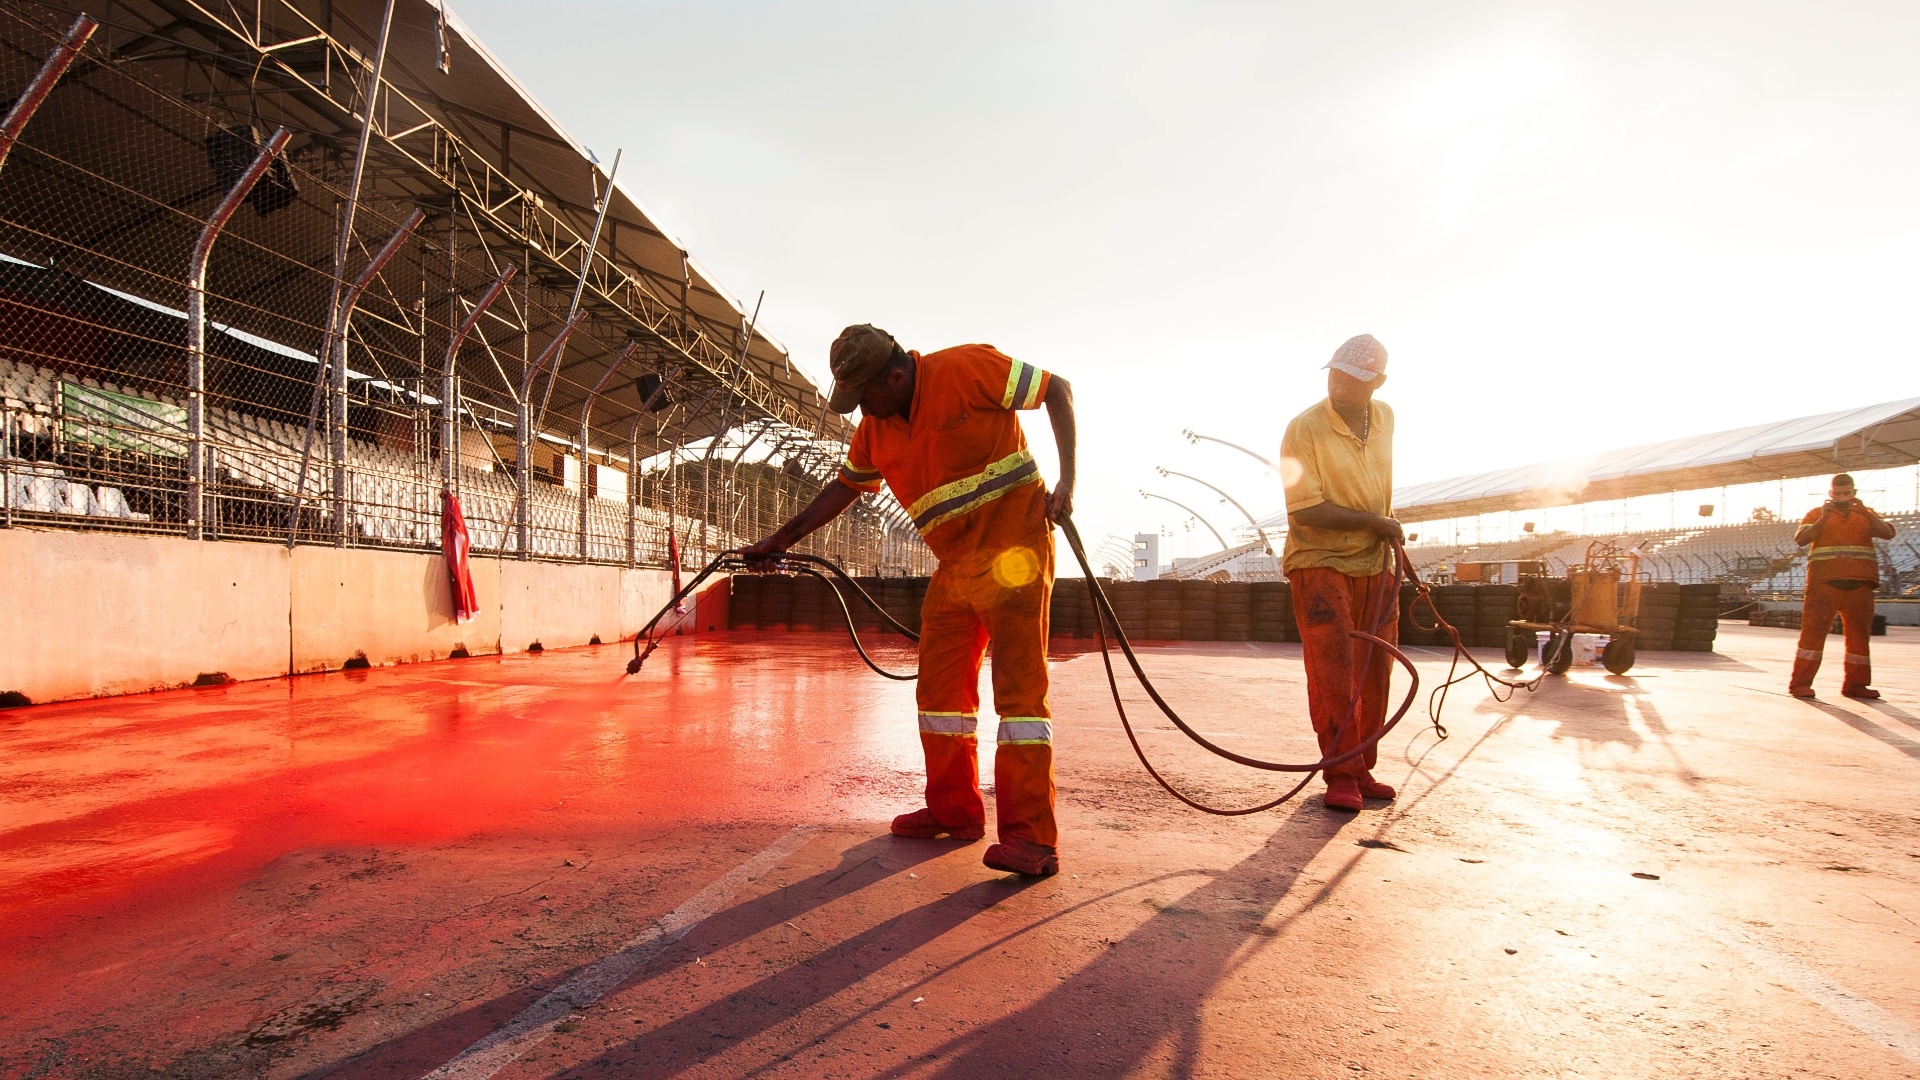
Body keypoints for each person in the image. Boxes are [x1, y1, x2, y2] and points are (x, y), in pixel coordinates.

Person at [740, 325, 1076, 877]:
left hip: (1015, 550)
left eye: (867, 396)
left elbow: (1057, 390)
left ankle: (1032, 839)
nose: (861, 412)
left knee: (1020, 701)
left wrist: (1067, 481)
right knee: (940, 696)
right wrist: (780, 540)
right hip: (955, 567)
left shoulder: (967, 368)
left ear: (896, 375)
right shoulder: (875, 429)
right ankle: (955, 811)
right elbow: (844, 488)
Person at [1279, 334, 1402, 813]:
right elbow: (1306, 509)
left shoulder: (1387, 417)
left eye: (1351, 379)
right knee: (1334, 670)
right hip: (1319, 562)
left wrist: (1380, 530)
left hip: (1375, 561)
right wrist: (1376, 522)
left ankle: (1361, 765)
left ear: (1377, 383)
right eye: (1334, 375)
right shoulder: (1303, 428)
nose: (1339, 386)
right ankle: (1340, 773)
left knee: (1376, 671)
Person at [1788, 473, 1894, 699]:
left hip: (1860, 584)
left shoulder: (1864, 515)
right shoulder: (1816, 513)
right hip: (1824, 584)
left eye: (1846, 494)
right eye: (1837, 494)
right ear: (1830, 494)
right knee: (1813, 636)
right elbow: (1802, 539)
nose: (1842, 498)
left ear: (1854, 493)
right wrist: (1823, 518)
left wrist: (1865, 513)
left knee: (1859, 638)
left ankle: (1856, 685)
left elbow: (1887, 533)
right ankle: (1799, 685)